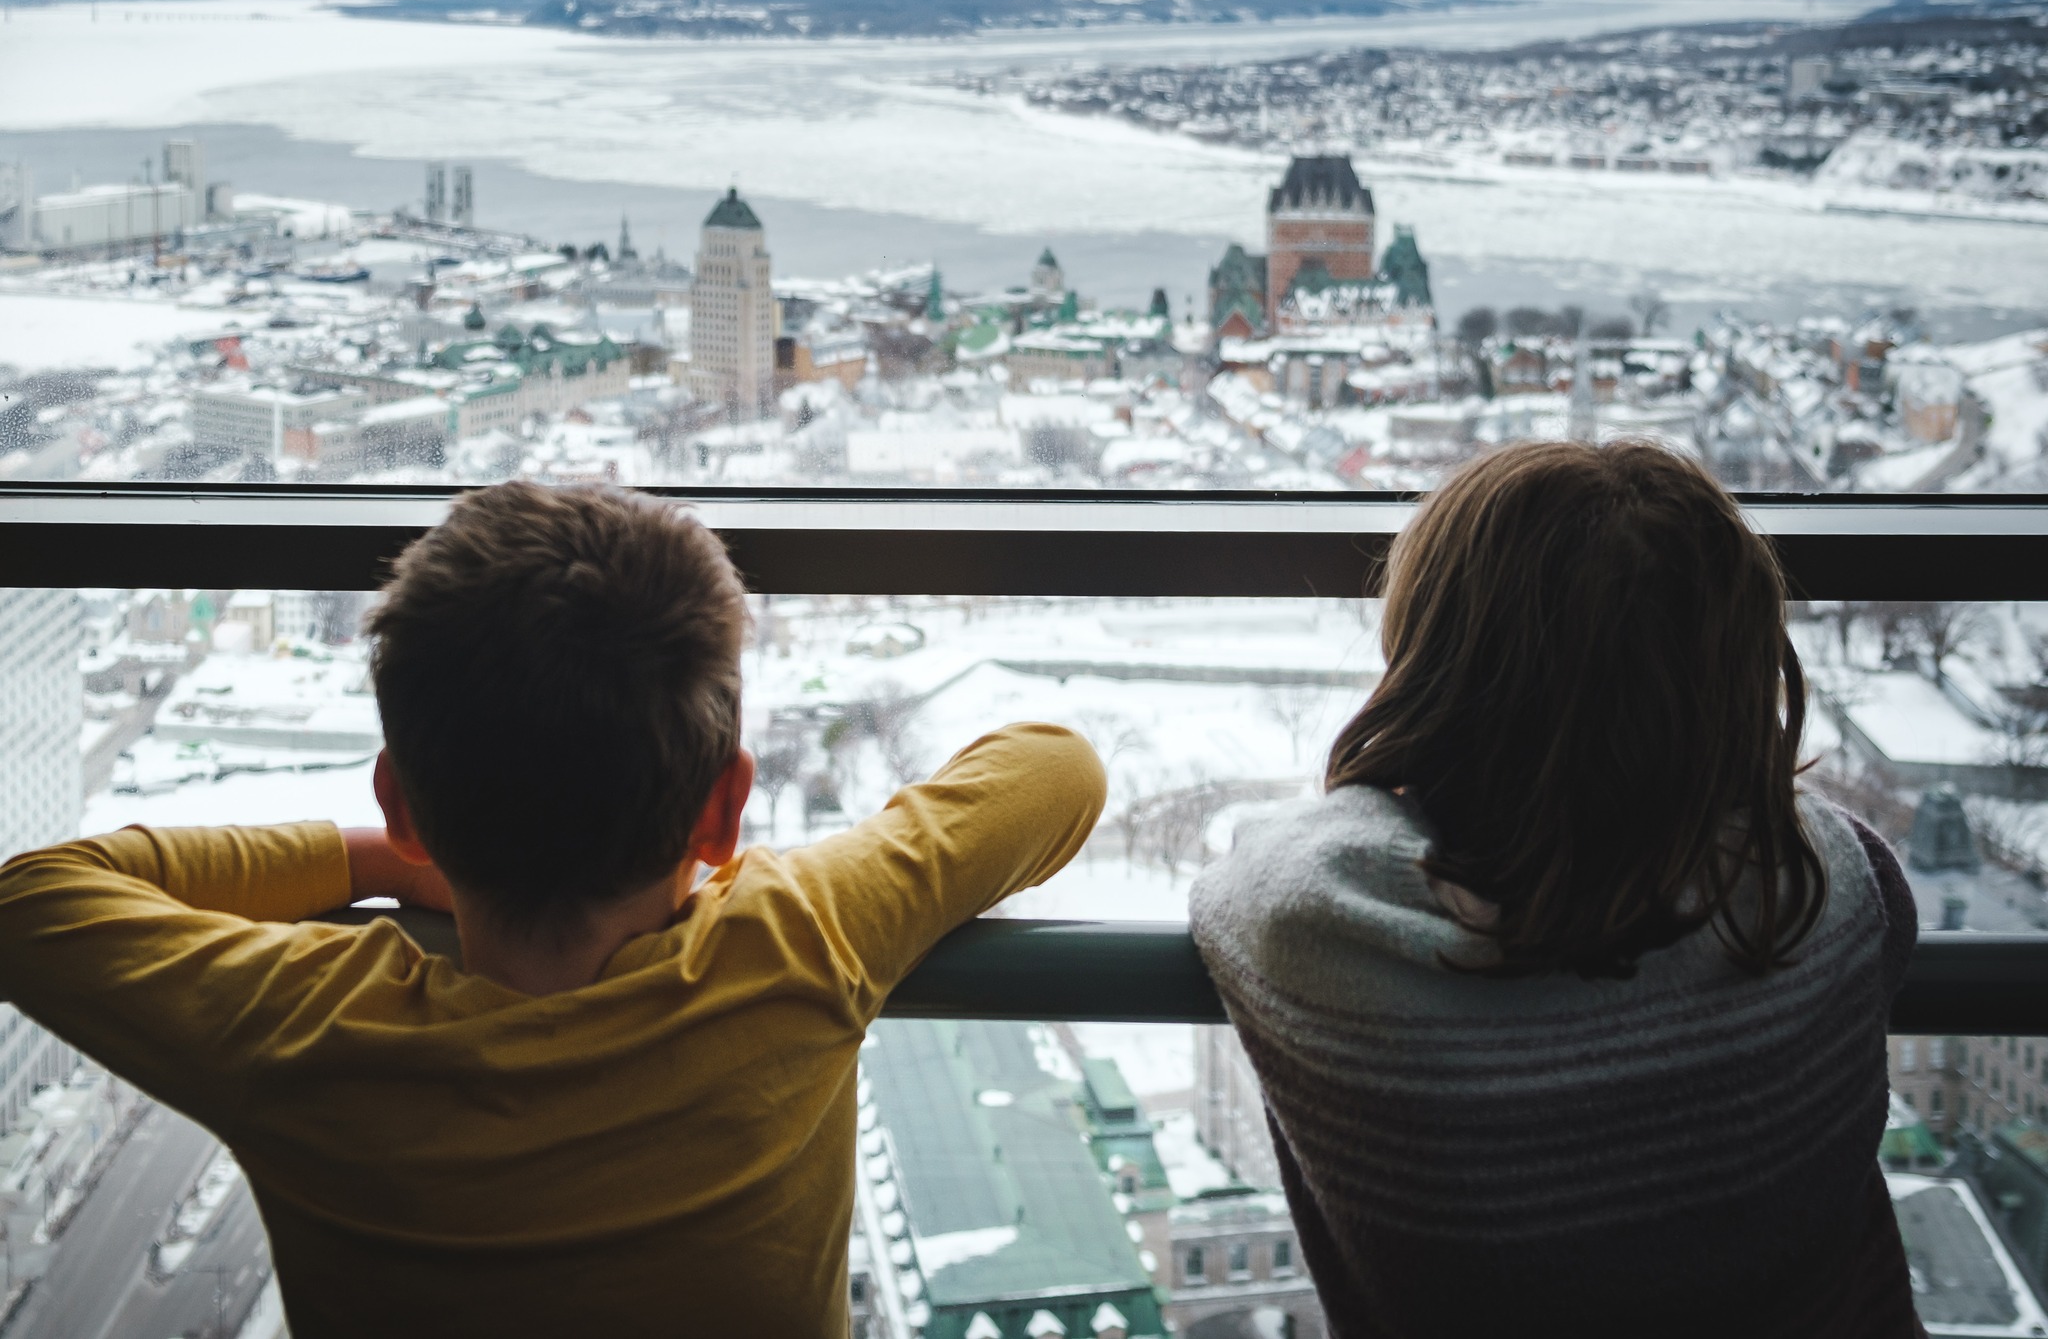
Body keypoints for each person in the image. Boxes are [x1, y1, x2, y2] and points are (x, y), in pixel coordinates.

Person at [0, 482, 1104, 1337]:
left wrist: (374, 859)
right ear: (723, 810)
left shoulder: (300, 1030)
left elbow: (31, 899)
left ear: (405, 801)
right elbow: (1058, 770)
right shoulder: (802, 937)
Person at [1190, 440, 1921, 1339]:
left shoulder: (1320, 929)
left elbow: (1256, 865)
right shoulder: (1831, 891)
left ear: (1436, 663)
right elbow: (1797, 825)